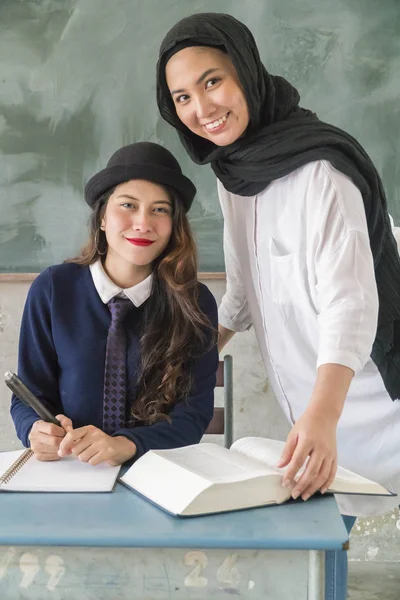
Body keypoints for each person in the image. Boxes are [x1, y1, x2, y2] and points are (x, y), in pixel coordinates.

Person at [156, 13, 400, 600]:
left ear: (246, 71)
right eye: (183, 96)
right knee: (338, 566)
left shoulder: (321, 169)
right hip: (312, 411)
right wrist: (183, 360)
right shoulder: (233, 172)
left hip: (367, 401)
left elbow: (351, 301)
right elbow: (242, 293)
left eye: (213, 82)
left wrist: (321, 415)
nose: (201, 108)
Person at [10, 141, 218, 467]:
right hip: (71, 472)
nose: (143, 223)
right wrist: (34, 429)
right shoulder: (52, 289)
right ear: (103, 218)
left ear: (174, 225)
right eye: (128, 205)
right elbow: (29, 395)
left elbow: (193, 417)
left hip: (157, 472)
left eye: (160, 209)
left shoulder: (195, 302)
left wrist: (125, 445)